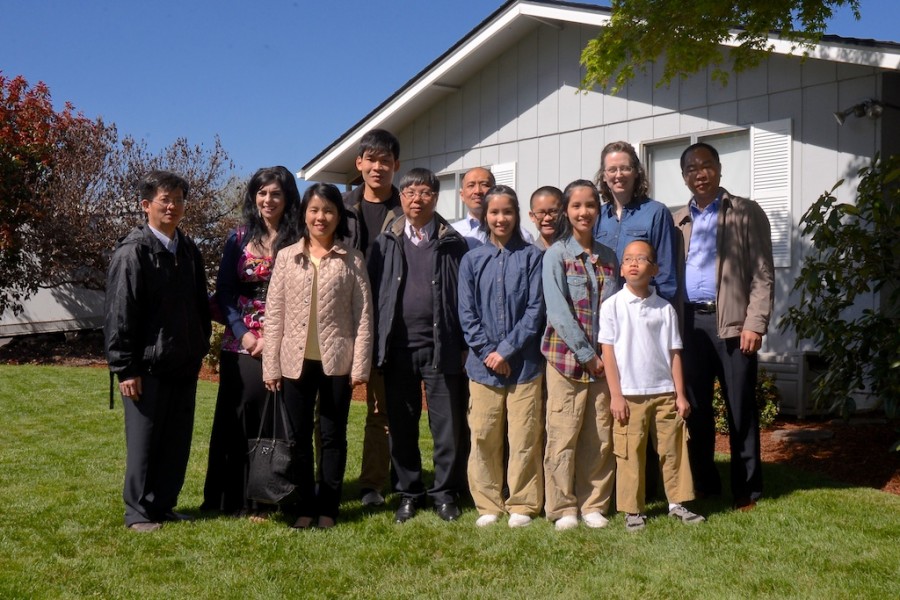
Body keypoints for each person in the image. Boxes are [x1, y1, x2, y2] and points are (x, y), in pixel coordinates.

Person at [104, 170, 211, 532]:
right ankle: (137, 513)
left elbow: (199, 303)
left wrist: (199, 347)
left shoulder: (188, 249)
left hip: (183, 363)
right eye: (166, 199)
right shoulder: (133, 252)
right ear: (146, 205)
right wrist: (125, 368)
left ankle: (163, 505)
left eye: (179, 199)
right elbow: (120, 312)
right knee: (145, 444)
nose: (173, 206)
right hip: (146, 369)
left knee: (175, 443)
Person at [263, 183, 373, 529]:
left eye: (328, 210)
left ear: (338, 216)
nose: (320, 217)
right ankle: (303, 506)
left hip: (337, 362)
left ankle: (329, 507)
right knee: (296, 439)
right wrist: (271, 366)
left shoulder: (352, 259)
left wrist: (361, 366)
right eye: (314, 210)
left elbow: (364, 315)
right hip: (294, 363)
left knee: (332, 436)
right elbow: (274, 313)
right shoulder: (287, 257)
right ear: (304, 214)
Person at [675, 142, 774, 511]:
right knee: (696, 410)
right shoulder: (677, 219)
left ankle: (747, 489)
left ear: (719, 168)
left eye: (706, 165)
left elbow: (763, 274)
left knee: (740, 408)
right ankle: (704, 482)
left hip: (733, 324)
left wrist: (755, 323)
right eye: (691, 168)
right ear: (684, 176)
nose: (699, 173)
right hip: (691, 326)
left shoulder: (745, 212)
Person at [368, 167, 469, 524]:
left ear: (435, 197)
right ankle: (408, 493)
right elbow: (374, 296)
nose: (416, 198)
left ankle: (444, 493)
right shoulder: (385, 242)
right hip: (398, 350)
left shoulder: (454, 242)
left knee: (447, 428)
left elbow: (462, 297)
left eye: (424, 192)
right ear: (401, 198)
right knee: (402, 425)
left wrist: (461, 342)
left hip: (442, 348)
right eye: (410, 192)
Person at [201, 166, 301, 519]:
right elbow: (224, 291)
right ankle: (230, 499)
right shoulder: (238, 237)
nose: (268, 199)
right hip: (240, 340)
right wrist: (243, 332)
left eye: (275, 193)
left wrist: (274, 337)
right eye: (261, 193)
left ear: (287, 197)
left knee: (275, 416)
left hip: (287, 337)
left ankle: (268, 496)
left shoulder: (300, 237)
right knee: (237, 416)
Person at [599, 240, 704, 531]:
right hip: (629, 395)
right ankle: (633, 510)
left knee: (674, 449)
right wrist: (616, 395)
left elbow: (674, 353)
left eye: (641, 259)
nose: (634, 263)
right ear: (621, 268)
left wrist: (680, 394)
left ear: (654, 269)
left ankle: (678, 503)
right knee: (629, 452)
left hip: (664, 392)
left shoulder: (665, 309)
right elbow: (607, 353)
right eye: (628, 259)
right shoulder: (612, 306)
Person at [457, 185, 545, 528]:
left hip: (525, 365)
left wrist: (506, 350)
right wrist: (488, 352)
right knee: (483, 434)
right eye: (494, 212)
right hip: (482, 368)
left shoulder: (532, 257)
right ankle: (488, 503)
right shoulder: (472, 259)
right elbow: (466, 313)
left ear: (517, 214)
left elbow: (536, 310)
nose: (500, 218)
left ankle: (522, 502)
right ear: (485, 216)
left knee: (524, 436)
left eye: (507, 212)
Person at [541, 179, 618, 531]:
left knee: (600, 435)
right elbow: (557, 311)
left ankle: (593, 504)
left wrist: (605, 355)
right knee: (562, 434)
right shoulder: (556, 254)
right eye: (576, 206)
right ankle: (563, 508)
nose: (584, 211)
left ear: (598, 210)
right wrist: (587, 354)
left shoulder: (609, 257)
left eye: (590, 205)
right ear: (567, 212)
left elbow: (614, 312)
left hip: (605, 363)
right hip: (566, 360)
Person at [343, 129, 404, 508]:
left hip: (386, 324)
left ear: (396, 166)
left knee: (381, 412)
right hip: (340, 321)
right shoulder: (340, 207)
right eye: (372, 159)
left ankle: (372, 485)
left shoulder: (407, 209)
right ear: (359, 163)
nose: (378, 167)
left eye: (386, 161)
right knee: (327, 408)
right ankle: (325, 479)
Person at [593, 141, 677, 301]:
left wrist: (661, 311)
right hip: (605, 310)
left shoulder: (656, 212)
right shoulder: (597, 217)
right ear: (604, 176)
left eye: (625, 168)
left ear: (636, 172)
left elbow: (666, 273)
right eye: (612, 169)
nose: (618, 175)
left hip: (644, 307)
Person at [451, 167, 533, 249]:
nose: (477, 191)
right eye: (471, 185)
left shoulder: (524, 237)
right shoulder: (451, 234)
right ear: (462, 195)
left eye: (484, 185)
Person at [528, 186, 563, 251]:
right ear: (532, 216)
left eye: (554, 211)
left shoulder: (578, 249)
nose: (547, 218)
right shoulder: (529, 255)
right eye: (541, 212)